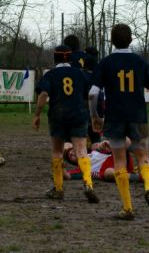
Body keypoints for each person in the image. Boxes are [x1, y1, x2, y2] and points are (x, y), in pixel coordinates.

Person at [89, 23, 149, 220]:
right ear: (131, 39)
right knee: (143, 156)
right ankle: (148, 187)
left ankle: (128, 208)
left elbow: (92, 93)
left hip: (115, 117)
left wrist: (95, 116)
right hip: (138, 115)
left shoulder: (106, 63)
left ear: (112, 41)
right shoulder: (140, 62)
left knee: (120, 161)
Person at [33, 45, 99, 204]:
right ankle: (89, 185)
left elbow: (43, 94)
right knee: (82, 151)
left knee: (57, 151)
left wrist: (37, 115)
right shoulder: (81, 73)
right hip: (78, 114)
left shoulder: (51, 74)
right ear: (70, 58)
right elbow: (91, 94)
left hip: (58, 115)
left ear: (54, 58)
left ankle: (58, 188)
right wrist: (94, 114)